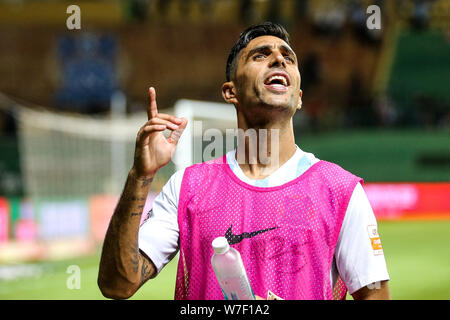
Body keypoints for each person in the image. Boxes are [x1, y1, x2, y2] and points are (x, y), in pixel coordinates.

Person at [98, 22, 391, 300]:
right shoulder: (187, 188)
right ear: (230, 91)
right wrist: (140, 176)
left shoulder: (340, 191)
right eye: (260, 55)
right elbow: (117, 284)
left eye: (288, 57)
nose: (278, 59)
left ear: (299, 97)